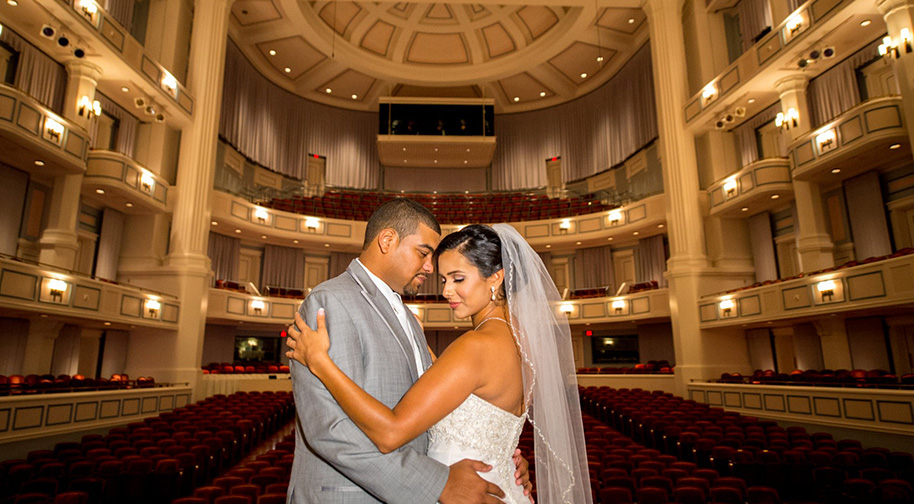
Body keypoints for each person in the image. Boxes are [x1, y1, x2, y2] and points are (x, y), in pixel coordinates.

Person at [287, 223, 592, 504]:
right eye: (444, 279)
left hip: (467, 493)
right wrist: (506, 458)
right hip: (502, 486)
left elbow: (391, 432)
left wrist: (320, 362)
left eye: (458, 278)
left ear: (496, 277)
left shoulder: (476, 346)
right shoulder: (521, 344)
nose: (446, 290)